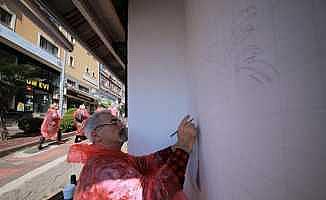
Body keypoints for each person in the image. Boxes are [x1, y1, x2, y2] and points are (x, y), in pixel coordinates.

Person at [67, 111, 197, 200]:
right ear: (96, 135)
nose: (122, 125)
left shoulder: (110, 157)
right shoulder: (104, 169)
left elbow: (143, 163)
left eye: (120, 121)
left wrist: (175, 147)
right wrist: (183, 146)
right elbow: (152, 195)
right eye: (114, 122)